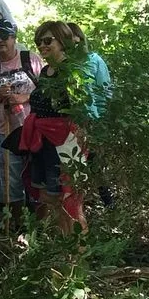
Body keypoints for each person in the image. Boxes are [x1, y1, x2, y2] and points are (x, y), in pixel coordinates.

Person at [20, 21, 88, 235]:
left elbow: (82, 110)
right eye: (39, 41)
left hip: (65, 143)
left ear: (62, 41)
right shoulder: (45, 71)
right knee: (49, 196)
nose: (42, 45)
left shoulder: (72, 71)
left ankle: (77, 254)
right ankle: (60, 246)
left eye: (48, 40)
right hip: (43, 144)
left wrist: (76, 147)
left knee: (68, 198)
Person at [0, 20, 44, 226]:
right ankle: (16, 225)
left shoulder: (31, 60)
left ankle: (41, 225)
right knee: (10, 180)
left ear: (14, 38)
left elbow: (46, 93)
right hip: (5, 132)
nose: (0, 42)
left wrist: (24, 98)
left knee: (38, 177)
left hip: (33, 129)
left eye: (4, 37)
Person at [66, 22, 112, 119]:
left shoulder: (95, 60)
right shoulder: (60, 64)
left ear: (79, 38)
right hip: (67, 120)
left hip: (93, 117)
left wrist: (101, 119)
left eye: (71, 36)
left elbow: (105, 90)